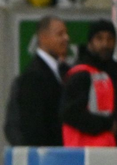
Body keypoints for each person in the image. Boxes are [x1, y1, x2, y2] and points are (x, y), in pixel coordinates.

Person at [61, 19, 117, 147]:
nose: (105, 44)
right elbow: (70, 113)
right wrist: (107, 124)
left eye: (110, 39)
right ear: (90, 42)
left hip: (116, 150)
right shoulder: (82, 73)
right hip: (90, 150)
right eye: (99, 38)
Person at [4, 16, 70, 146]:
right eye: (60, 34)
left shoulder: (63, 72)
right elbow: (33, 128)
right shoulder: (33, 76)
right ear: (43, 38)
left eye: (66, 33)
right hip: (48, 158)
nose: (66, 38)